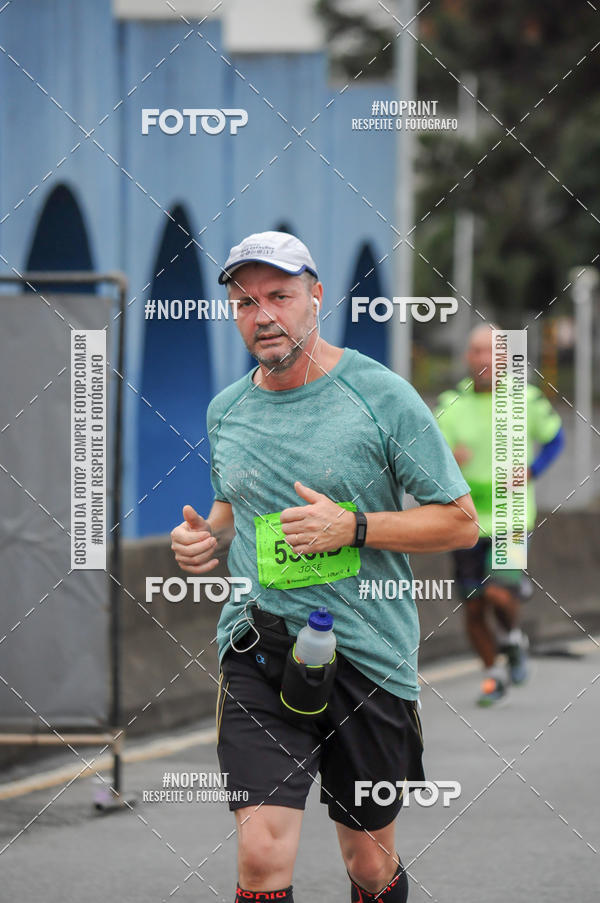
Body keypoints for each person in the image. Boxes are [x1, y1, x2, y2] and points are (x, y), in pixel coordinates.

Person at [170, 231, 478, 902]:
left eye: (279, 296)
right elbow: (232, 509)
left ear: (315, 296)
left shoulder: (381, 395)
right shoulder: (227, 410)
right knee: (260, 852)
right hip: (258, 645)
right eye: (245, 302)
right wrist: (204, 538)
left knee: (368, 862)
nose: (262, 315)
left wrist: (355, 526)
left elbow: (460, 521)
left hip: (367, 653)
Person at [436, 324, 565, 706]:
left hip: (512, 517)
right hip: (465, 519)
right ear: (467, 358)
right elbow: (425, 455)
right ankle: (494, 673)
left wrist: (533, 471)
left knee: (497, 591)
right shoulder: (449, 405)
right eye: (477, 351)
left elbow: (555, 438)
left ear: (506, 360)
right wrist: (446, 459)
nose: (484, 360)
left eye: (492, 352)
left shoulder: (525, 399)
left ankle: (511, 637)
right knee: (474, 605)